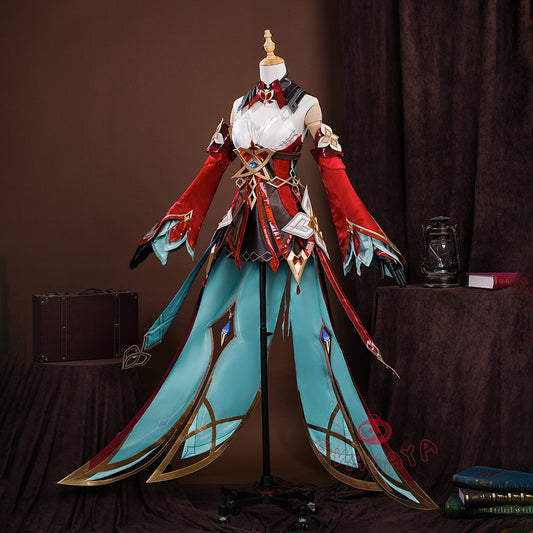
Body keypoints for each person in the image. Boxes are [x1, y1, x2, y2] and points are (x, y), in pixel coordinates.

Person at [60, 30, 435, 510]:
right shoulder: (238, 106)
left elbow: (333, 171)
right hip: (239, 229)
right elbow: (210, 171)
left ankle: (345, 448)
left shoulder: (307, 105)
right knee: (210, 329)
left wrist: (368, 236)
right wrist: (166, 228)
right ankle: (182, 432)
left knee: (315, 336)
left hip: (291, 232)